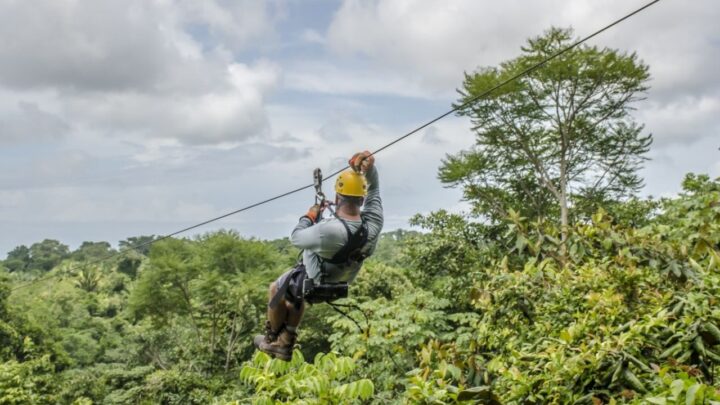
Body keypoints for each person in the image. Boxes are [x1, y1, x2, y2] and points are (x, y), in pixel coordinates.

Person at [253, 150, 384, 361]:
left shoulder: (328, 231)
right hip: (341, 279)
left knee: (276, 289)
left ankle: (273, 341)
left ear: (337, 197)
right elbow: (375, 190)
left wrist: (310, 216)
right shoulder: (373, 224)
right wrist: (369, 170)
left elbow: (296, 237)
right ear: (362, 199)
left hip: (317, 278)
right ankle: (286, 339)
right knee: (294, 292)